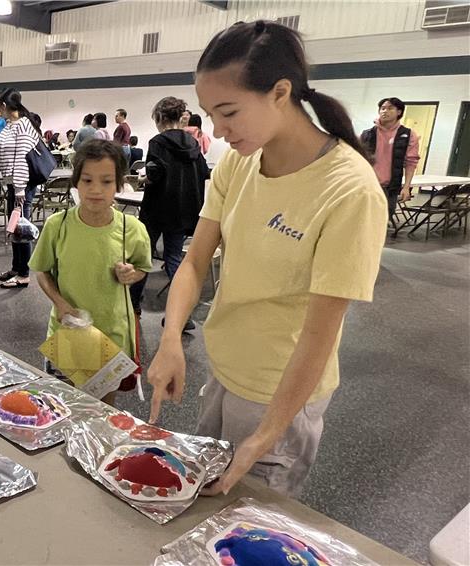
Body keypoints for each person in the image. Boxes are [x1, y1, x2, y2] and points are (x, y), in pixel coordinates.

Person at [147, 20, 387, 498]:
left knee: (245, 523)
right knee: (200, 504)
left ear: (280, 92)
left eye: (229, 112)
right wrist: (170, 337)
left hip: (280, 395)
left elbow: (319, 336)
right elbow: (194, 262)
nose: (218, 131)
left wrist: (267, 435)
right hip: (224, 368)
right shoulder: (240, 161)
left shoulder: (349, 190)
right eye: (209, 115)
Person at [31, 139, 152, 405]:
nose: (96, 189)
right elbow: (42, 271)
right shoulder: (58, 225)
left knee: (103, 409)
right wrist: (60, 303)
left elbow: (143, 268)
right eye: (87, 180)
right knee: (63, 405)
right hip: (69, 330)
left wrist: (131, 274)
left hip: (112, 332)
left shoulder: (131, 228)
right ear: (76, 182)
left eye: (106, 182)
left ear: (119, 184)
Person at [130, 96, 209, 327]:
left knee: (143, 257)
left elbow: (155, 174)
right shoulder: (192, 142)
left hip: (157, 209)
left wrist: (143, 178)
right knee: (174, 259)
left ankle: (132, 306)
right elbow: (204, 172)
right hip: (183, 211)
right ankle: (182, 315)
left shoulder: (158, 142)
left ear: (160, 118)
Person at [0, 87, 41, 290]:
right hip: (13, 184)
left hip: (22, 185)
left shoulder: (23, 125)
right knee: (14, 226)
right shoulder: (9, 125)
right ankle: (16, 268)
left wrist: (21, 188)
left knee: (22, 228)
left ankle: (24, 274)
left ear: (4, 105)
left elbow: (23, 159)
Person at [360, 97, 420, 223]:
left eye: (390, 108)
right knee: (363, 220)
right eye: (382, 108)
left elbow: (411, 162)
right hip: (367, 185)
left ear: (399, 112)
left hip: (390, 187)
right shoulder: (367, 134)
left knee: (383, 221)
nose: (385, 111)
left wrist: (406, 187)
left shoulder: (408, 135)